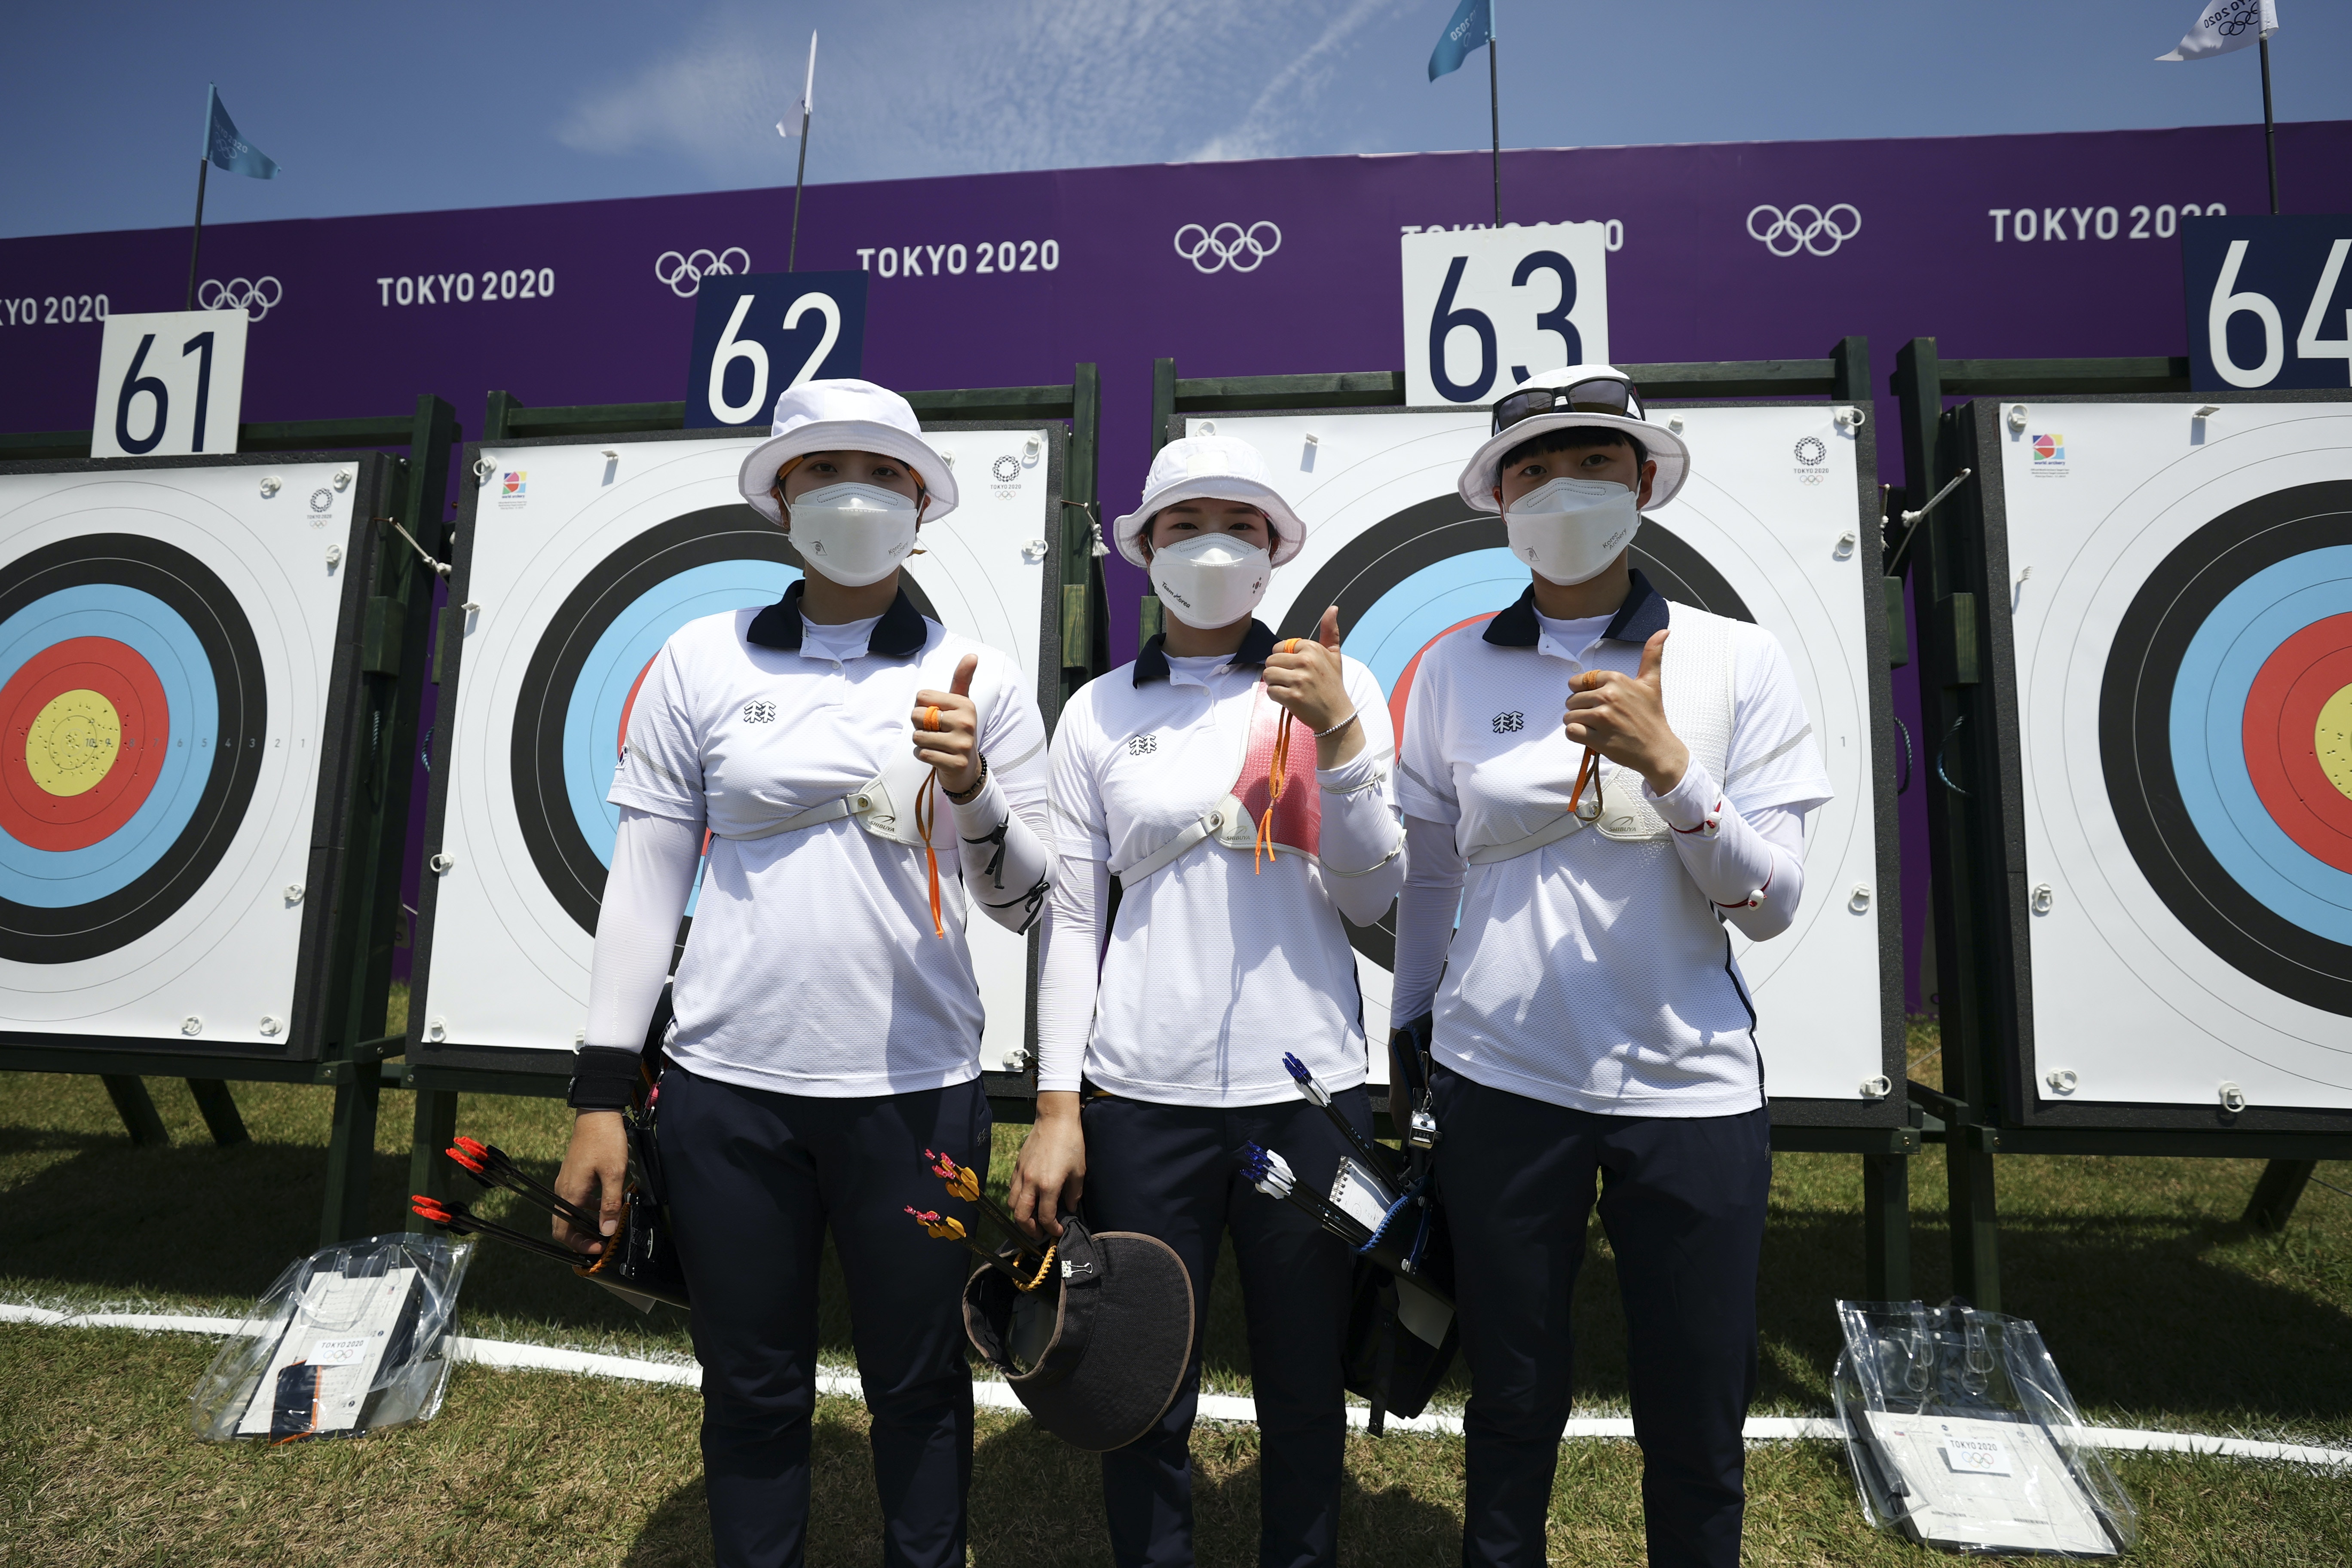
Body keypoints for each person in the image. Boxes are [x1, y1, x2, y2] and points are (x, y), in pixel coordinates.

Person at [551, 379, 1055, 1568]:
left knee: (922, 1384)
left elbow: (1027, 899)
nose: (855, 496)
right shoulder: (698, 658)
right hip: (727, 1095)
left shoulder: (979, 672)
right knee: (752, 1386)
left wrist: (976, 787)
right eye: (824, 471)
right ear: (782, 500)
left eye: (884, 474)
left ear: (923, 504)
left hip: (915, 1094)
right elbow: (646, 878)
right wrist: (596, 1096)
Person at [1388, 365, 1831, 1568]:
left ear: (1642, 483)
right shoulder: (1452, 670)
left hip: (1688, 1090)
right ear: (1498, 501)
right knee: (1514, 1401)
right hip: (1502, 1082)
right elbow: (1431, 880)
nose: (1562, 488)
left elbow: (1774, 903)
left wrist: (1674, 769)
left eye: (1592, 462)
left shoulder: (1740, 661)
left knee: (1694, 1415)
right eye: (1532, 469)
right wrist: (1412, 1035)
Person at [1012, 435, 1408, 1568]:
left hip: (1309, 1090)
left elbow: (1374, 887)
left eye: (1238, 524)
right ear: (1145, 551)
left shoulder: (1338, 685)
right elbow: (1075, 919)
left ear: (1275, 551)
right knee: (1144, 1386)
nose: (1212, 546)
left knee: (1301, 1386)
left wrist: (1337, 733)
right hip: (1143, 1095)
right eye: (1184, 526)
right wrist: (1057, 1108)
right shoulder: (1095, 712)